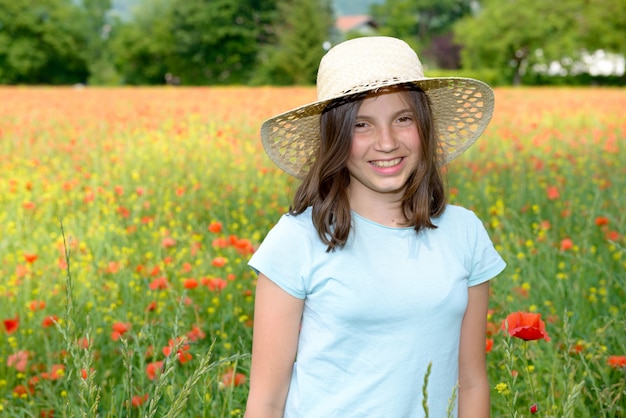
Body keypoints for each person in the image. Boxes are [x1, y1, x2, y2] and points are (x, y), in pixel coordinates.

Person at [245, 36, 506, 418]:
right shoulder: (297, 240)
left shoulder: (464, 232)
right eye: (362, 125)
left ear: (425, 128)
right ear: (335, 138)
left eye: (403, 119)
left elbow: (471, 382)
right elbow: (267, 400)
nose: (386, 142)